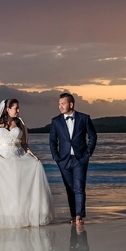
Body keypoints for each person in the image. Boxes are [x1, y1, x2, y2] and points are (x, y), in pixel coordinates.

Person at [0, 99, 55, 228]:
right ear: (8, 109)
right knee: (2, 188)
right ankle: (2, 217)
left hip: (17, 157)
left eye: (18, 108)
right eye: (16, 108)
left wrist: (33, 155)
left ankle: (18, 216)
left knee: (17, 187)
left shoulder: (20, 123)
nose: (18, 111)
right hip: (0, 157)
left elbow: (24, 143)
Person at [49, 92, 97, 224]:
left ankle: (79, 216)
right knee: (69, 189)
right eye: (59, 104)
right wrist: (56, 157)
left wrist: (87, 154)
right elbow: (53, 141)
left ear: (71, 104)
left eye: (62, 104)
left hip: (80, 159)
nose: (60, 106)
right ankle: (73, 215)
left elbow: (93, 136)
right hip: (63, 161)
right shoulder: (56, 121)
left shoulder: (84, 118)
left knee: (79, 188)